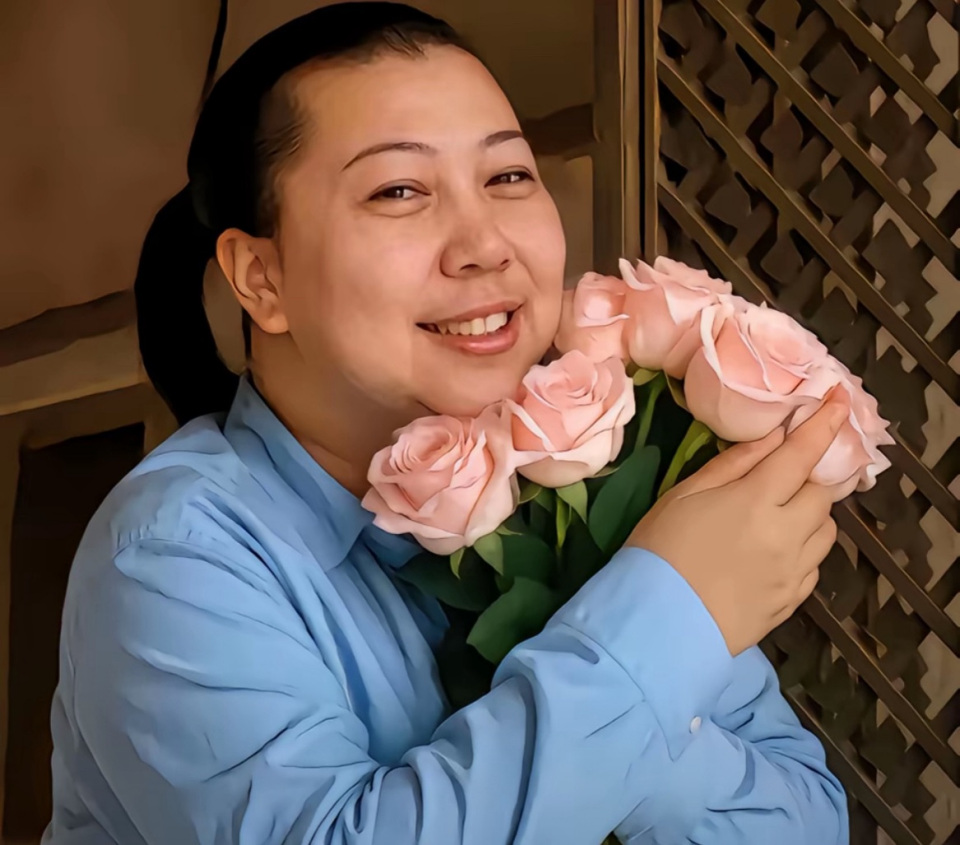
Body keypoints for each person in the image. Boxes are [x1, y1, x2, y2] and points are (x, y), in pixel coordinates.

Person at [44, 4, 850, 843]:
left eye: (508, 176)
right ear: (262, 277)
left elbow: (807, 823)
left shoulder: (585, 473)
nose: (485, 244)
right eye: (399, 190)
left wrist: (639, 643)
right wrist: (665, 617)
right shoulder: (173, 551)